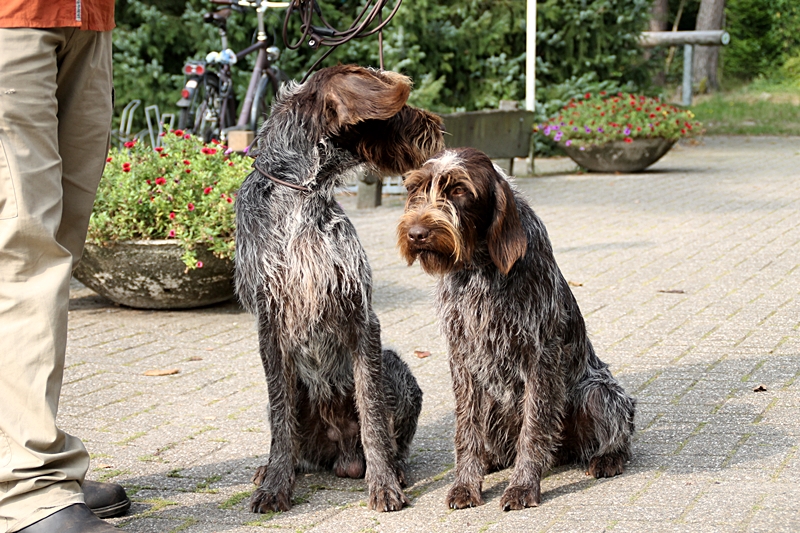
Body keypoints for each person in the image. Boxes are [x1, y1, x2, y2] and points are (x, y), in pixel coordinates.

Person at [0, 2, 131, 531]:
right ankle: (28, 487)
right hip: (12, 19)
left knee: (56, 247)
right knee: (25, 253)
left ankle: (33, 458)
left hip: (87, 19)